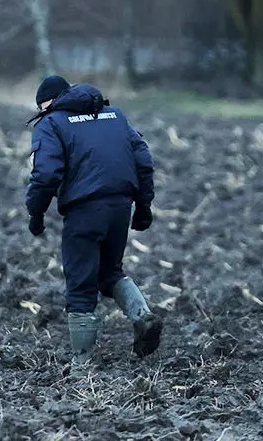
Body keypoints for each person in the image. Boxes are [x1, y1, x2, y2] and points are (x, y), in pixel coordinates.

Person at [24, 75, 162, 368]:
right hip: (120, 205)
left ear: (48, 103)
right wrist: (143, 205)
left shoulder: (51, 123)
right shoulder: (114, 115)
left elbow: (46, 174)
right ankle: (142, 315)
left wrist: (35, 213)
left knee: (80, 284)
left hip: (85, 210)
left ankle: (82, 365)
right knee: (109, 272)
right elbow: (144, 160)